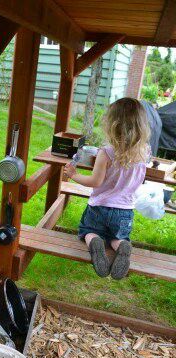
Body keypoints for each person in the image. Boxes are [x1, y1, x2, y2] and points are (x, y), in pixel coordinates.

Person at [64, 97, 151, 280]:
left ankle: (94, 241)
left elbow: (95, 181)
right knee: (116, 237)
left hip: (99, 207)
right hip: (125, 211)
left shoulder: (106, 152)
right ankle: (122, 246)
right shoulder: (145, 152)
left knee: (87, 230)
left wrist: (73, 175)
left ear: (113, 124)